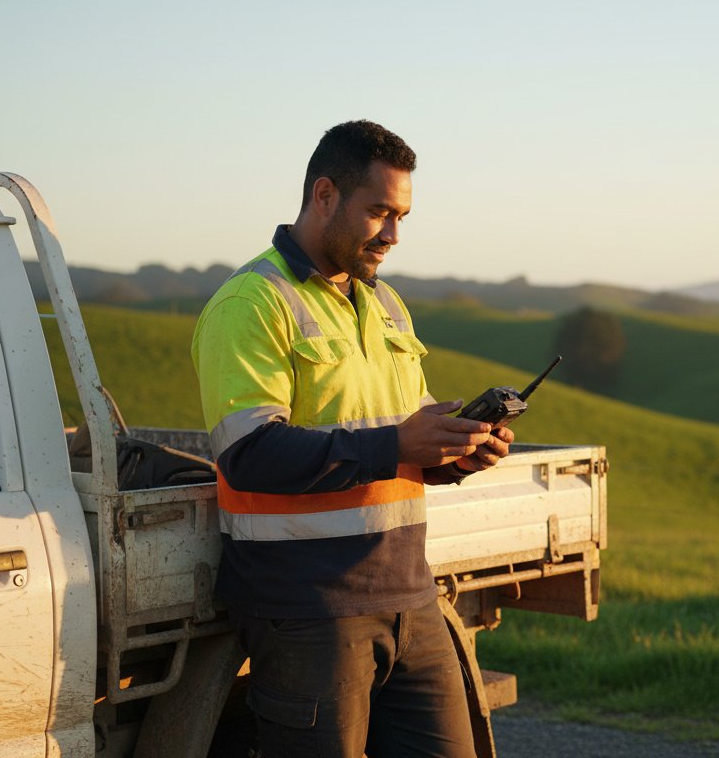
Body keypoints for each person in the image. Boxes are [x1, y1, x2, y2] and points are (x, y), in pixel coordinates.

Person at [192, 120, 511, 757]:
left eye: (402, 217)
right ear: (325, 195)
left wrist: (459, 452)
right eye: (379, 213)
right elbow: (249, 454)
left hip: (411, 594)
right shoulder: (250, 303)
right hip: (307, 612)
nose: (393, 235)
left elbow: (404, 438)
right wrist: (398, 445)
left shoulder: (386, 303)